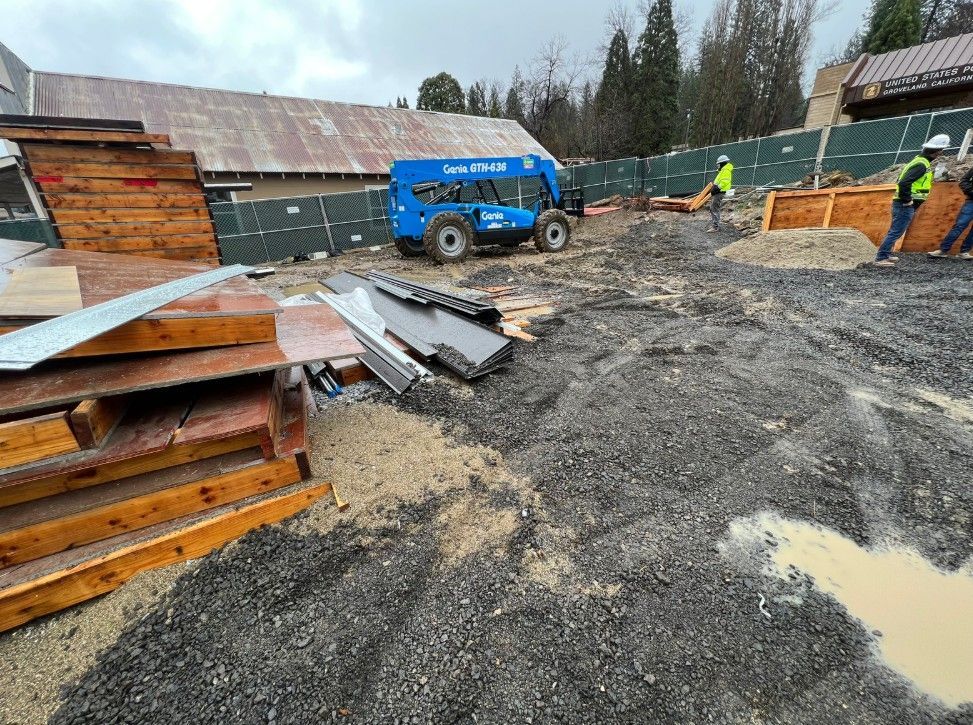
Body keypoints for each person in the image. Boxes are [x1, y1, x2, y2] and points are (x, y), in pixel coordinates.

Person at [874, 134, 950, 266]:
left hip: (902, 203)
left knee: (895, 230)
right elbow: (904, 183)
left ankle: (885, 254)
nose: (941, 153)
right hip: (904, 204)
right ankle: (881, 258)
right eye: (941, 151)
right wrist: (907, 200)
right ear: (937, 151)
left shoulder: (919, 160)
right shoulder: (921, 164)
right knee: (896, 231)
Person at [927, 164, 973, 260]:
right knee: (960, 225)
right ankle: (943, 250)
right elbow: (964, 181)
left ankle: (964, 252)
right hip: (971, 202)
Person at [706, 155, 733, 232]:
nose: (718, 165)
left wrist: (717, 188)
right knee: (713, 208)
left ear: (722, 163)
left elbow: (725, 182)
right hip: (718, 191)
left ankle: (715, 227)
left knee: (714, 208)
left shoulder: (726, 170)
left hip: (719, 192)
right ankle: (715, 225)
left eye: (718, 164)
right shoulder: (724, 170)